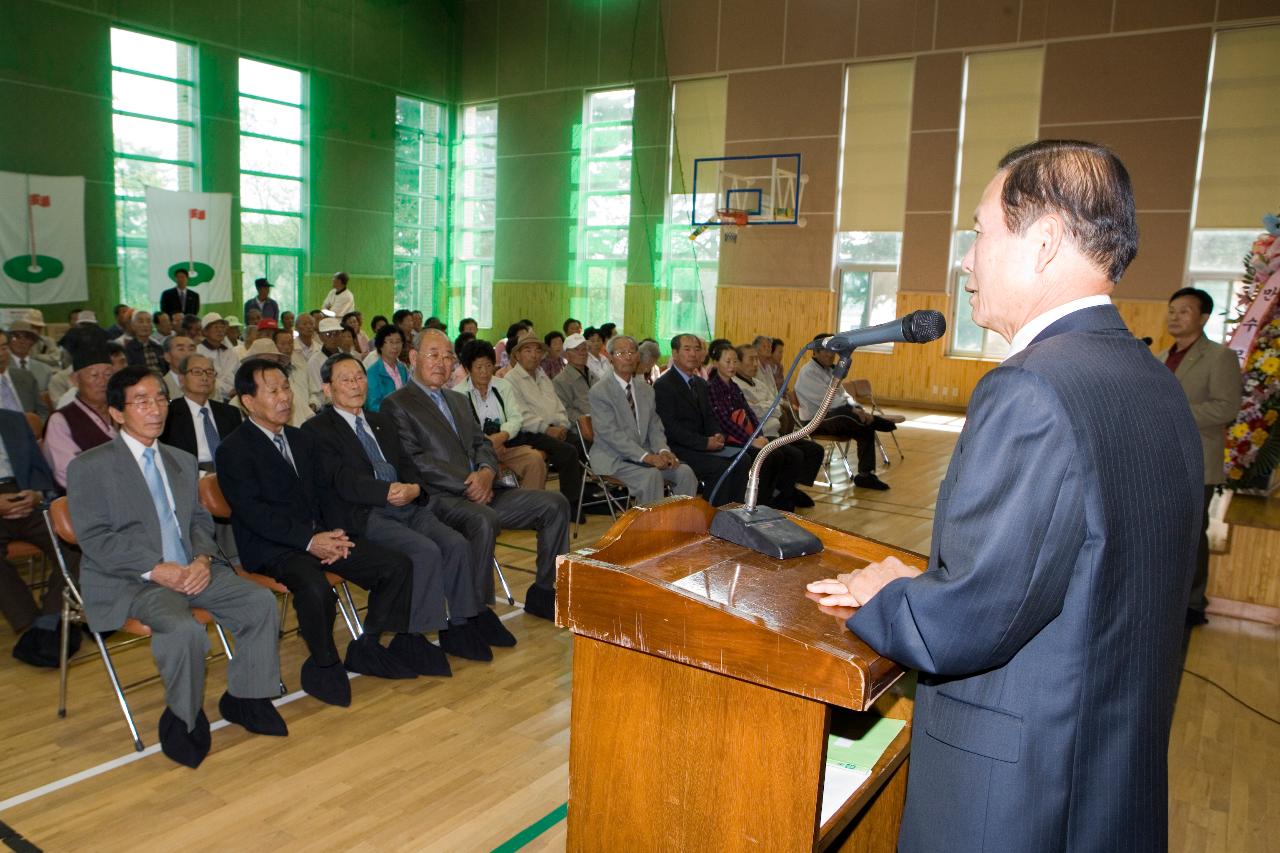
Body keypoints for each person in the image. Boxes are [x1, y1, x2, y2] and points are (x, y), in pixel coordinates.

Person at [807, 140, 1203, 853]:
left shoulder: (1032, 387)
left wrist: (886, 595)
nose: (966, 259)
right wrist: (931, 584)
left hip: (1012, 800)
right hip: (1106, 779)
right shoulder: (1155, 384)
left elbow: (962, 626)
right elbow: (1087, 582)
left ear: (1045, 240)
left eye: (981, 232)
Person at [68, 366, 285, 767]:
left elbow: (199, 521)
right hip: (137, 580)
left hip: (192, 569)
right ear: (117, 413)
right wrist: (156, 568)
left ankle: (246, 698)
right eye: (142, 401)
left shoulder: (180, 460)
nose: (155, 409)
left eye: (161, 399)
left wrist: (202, 558)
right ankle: (183, 718)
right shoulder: (90, 467)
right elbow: (96, 539)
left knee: (259, 603)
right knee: (184, 628)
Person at [216, 358, 424, 707]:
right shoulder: (233, 449)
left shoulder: (299, 439)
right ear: (248, 401)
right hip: (273, 547)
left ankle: (368, 644)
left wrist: (333, 534)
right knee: (315, 587)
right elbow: (255, 514)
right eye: (273, 391)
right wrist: (309, 541)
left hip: (319, 535)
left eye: (286, 388)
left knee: (396, 566)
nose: (284, 397)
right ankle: (324, 662)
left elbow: (324, 492)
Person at [304, 354, 513, 662]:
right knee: (425, 550)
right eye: (345, 380)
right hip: (365, 512)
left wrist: (415, 488)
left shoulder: (379, 420)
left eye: (360, 377)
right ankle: (413, 635)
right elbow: (341, 480)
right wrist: (386, 491)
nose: (355, 385)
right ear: (327, 389)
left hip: (406, 504)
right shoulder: (317, 430)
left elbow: (406, 463)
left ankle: (460, 623)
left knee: (455, 543)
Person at [380, 330, 569, 620]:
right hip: (440, 499)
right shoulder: (397, 404)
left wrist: (485, 472)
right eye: (433, 355)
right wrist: (468, 483)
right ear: (414, 358)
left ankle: (544, 591)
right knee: (483, 519)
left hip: (484, 489)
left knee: (555, 504)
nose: (441, 363)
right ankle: (477, 611)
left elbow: (481, 442)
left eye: (447, 356)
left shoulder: (457, 400)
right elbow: (416, 460)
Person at [1158, 287, 1243, 627]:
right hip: (1162, 459)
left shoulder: (1219, 357)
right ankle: (1163, 595)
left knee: (1193, 534)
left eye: (1184, 311)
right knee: (1161, 530)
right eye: (1172, 310)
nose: (1174, 317)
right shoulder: (1161, 356)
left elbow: (1227, 407)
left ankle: (1193, 602)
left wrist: (1174, 411)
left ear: (1203, 317)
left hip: (1198, 461)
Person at [1, 409, 81, 668]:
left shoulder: (13, 420)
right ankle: (29, 623)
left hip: (25, 497)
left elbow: (38, 468)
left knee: (73, 542)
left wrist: (36, 494)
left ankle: (49, 618)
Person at [588, 335, 697, 505]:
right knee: (651, 477)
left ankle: (679, 526)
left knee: (685, 472)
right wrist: (646, 457)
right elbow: (611, 435)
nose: (628, 357)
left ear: (638, 357)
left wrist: (662, 450)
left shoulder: (646, 389)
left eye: (632, 352)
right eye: (621, 353)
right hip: (614, 458)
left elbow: (655, 425)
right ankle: (649, 530)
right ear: (610, 358)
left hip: (645, 456)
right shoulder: (600, 391)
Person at [654, 334, 748, 506]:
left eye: (697, 349)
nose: (693, 354)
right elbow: (670, 428)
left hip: (703, 445)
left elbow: (710, 416)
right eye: (687, 349)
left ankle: (734, 513)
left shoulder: (701, 384)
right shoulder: (663, 385)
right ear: (674, 353)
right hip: (679, 448)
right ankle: (710, 517)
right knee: (719, 468)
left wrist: (717, 434)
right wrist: (705, 443)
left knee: (743, 460)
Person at [705, 340, 798, 511]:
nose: (732, 366)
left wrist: (759, 434)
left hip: (746, 436)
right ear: (716, 362)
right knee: (765, 456)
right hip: (730, 439)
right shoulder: (712, 387)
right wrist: (750, 441)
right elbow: (724, 422)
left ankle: (768, 499)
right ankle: (754, 503)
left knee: (776, 454)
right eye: (728, 361)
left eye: (734, 361)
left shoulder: (733, 386)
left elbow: (750, 413)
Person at [795, 337, 896, 490]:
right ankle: (874, 420)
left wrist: (857, 407)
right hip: (815, 421)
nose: (830, 355)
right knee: (847, 414)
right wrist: (853, 410)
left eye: (833, 351)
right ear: (815, 352)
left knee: (864, 427)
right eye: (826, 351)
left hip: (835, 417)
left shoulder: (830, 371)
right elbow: (827, 401)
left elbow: (844, 395)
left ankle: (865, 475)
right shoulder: (808, 372)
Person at [503, 334, 585, 516]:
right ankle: (570, 506)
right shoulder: (511, 380)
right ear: (517, 355)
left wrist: (562, 425)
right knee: (568, 452)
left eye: (537, 350)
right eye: (528, 350)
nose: (533, 355)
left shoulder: (542, 376)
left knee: (582, 443)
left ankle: (584, 497)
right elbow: (521, 415)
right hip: (528, 432)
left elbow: (558, 405)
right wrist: (547, 429)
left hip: (553, 428)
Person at [734, 343, 821, 506]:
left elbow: (776, 405)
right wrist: (769, 406)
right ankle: (778, 495)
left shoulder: (758, 383)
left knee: (813, 449)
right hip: (762, 434)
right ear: (737, 363)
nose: (755, 364)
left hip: (776, 431)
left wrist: (768, 406)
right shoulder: (736, 385)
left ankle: (789, 488)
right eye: (751, 359)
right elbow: (756, 410)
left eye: (756, 360)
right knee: (792, 455)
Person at [454, 339, 548, 490]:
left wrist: (502, 436)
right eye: (479, 367)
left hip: (505, 445)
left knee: (535, 460)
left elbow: (516, 418)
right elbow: (463, 431)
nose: (485, 372)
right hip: (475, 452)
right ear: (467, 369)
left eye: (489, 366)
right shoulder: (458, 394)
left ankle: (531, 507)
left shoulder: (503, 385)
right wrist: (488, 443)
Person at [43, 348, 118, 489]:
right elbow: (68, 474)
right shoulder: (61, 420)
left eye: (108, 374)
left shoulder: (124, 411)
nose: (103, 382)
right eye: (94, 375)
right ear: (75, 380)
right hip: (91, 497)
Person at [159, 354, 242, 472]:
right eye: (197, 372)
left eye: (209, 372)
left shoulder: (230, 413)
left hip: (230, 474)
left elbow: (239, 452)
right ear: (181, 379)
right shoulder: (169, 413)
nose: (205, 377)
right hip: (190, 476)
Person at [365, 325, 410, 413]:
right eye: (390, 342)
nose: (395, 346)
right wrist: (397, 411)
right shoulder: (372, 373)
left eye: (398, 342)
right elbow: (372, 406)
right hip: (384, 420)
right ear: (380, 345)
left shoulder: (402, 368)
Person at [195, 313, 239, 401]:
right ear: (205, 332)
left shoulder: (230, 352)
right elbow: (205, 378)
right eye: (215, 327)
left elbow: (238, 372)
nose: (220, 330)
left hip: (233, 397)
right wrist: (228, 390)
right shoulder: (198, 352)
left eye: (222, 327)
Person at [0, 332, 44, 417]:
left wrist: (36, 427)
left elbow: (42, 411)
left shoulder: (26, 377)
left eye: (4, 348)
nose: (0, 354)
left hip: (29, 427)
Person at [552, 332, 592, 423]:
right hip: (581, 429)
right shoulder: (560, 381)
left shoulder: (593, 376)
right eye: (576, 350)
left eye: (584, 349)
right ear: (566, 355)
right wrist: (588, 421)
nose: (582, 353)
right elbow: (565, 411)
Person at [7, 320, 54, 392]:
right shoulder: (3, 367)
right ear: (8, 341)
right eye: (16, 337)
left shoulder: (46, 370)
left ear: (32, 342)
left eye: (27, 337)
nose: (22, 341)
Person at [162, 335, 195, 400]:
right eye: (181, 349)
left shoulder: (209, 383)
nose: (188, 354)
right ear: (167, 357)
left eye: (191, 349)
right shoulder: (161, 385)